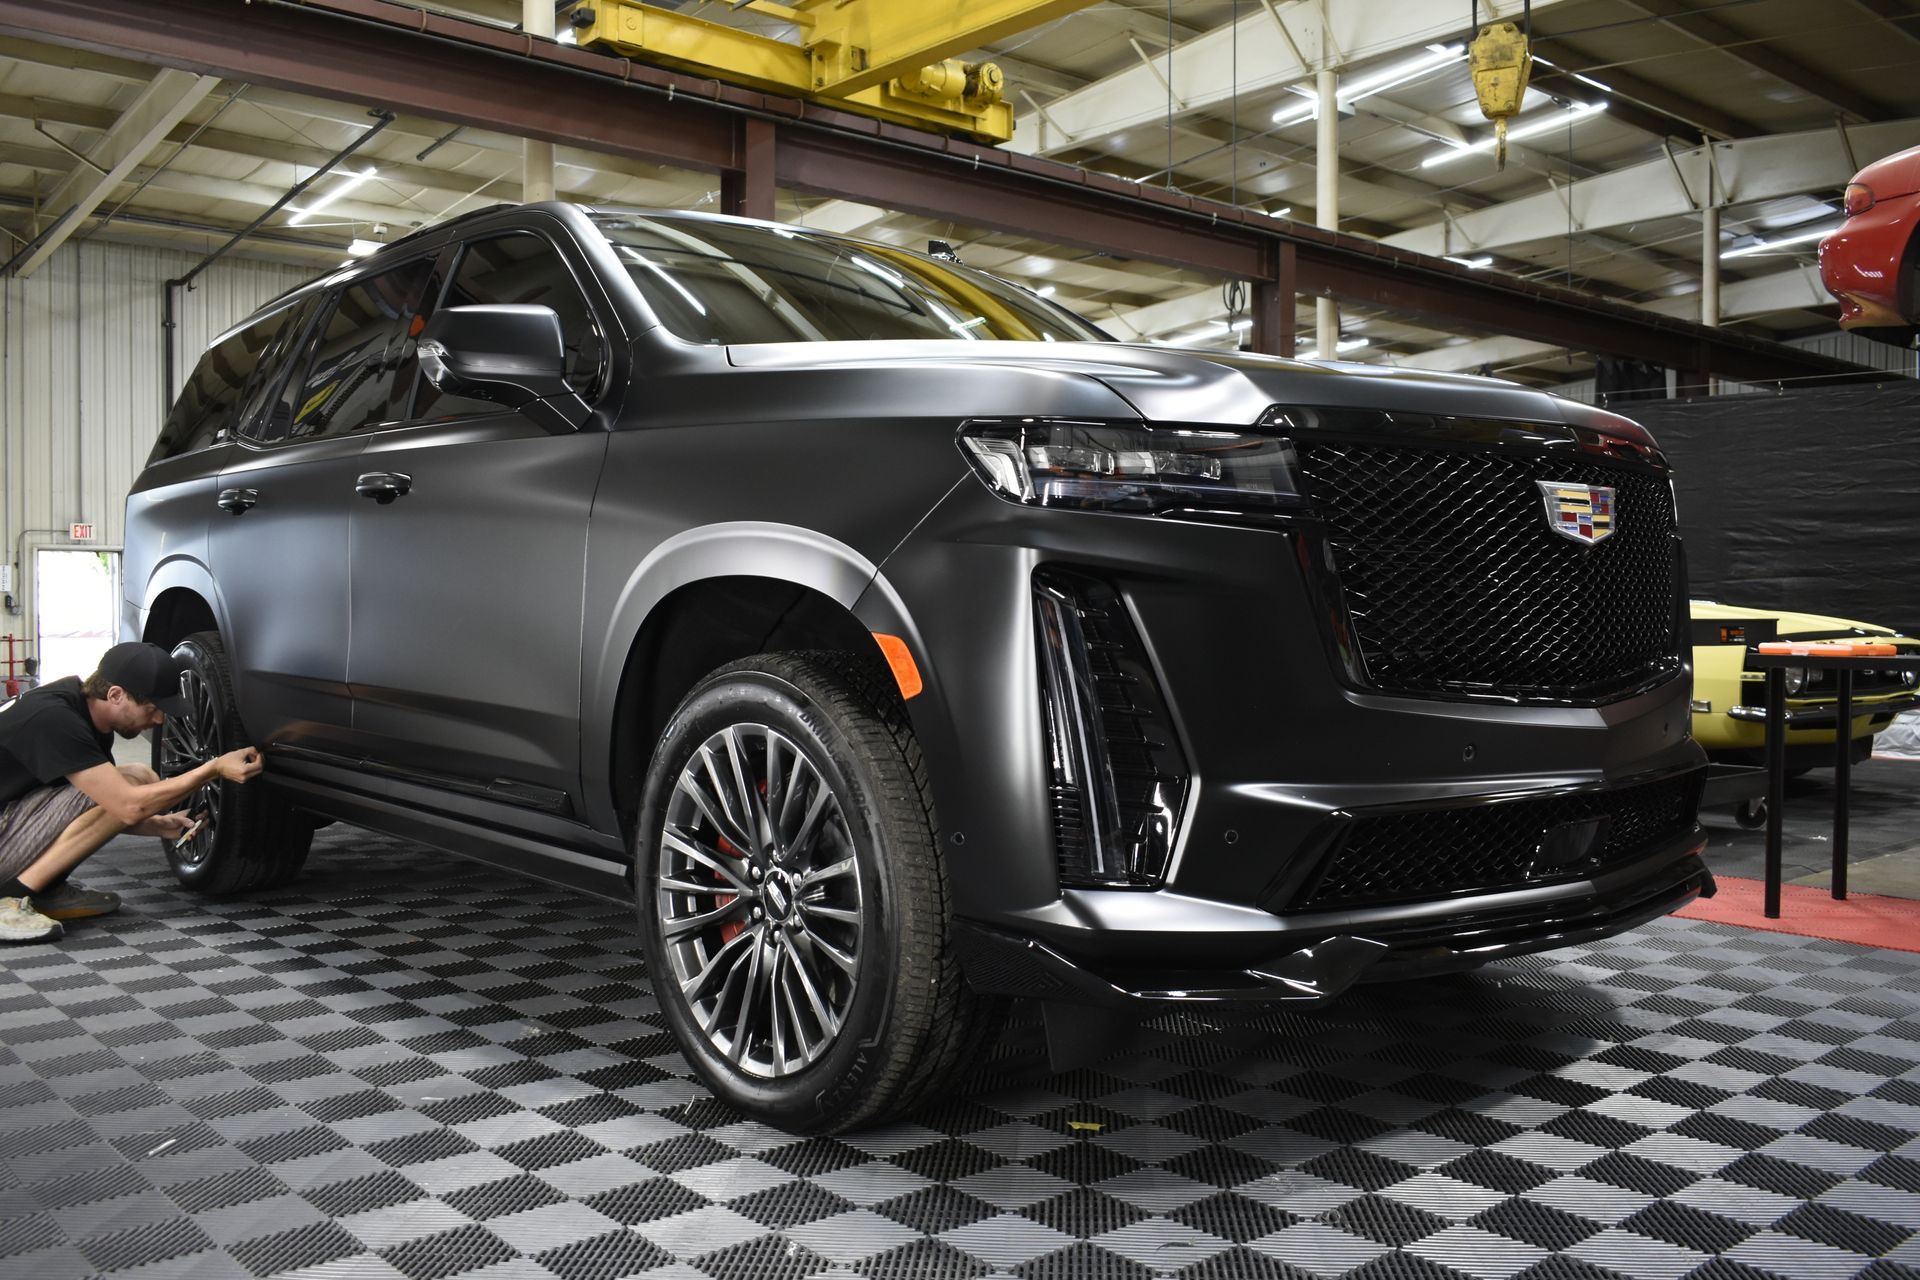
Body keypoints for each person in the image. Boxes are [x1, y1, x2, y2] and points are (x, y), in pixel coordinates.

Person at [0, 641, 263, 943]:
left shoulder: (77, 707)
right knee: (132, 788)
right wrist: (212, 769)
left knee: (135, 776)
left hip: (10, 819)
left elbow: (97, 810)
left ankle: (45, 889)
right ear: (115, 695)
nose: (159, 720)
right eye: (152, 708)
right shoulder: (55, 720)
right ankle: (11, 897)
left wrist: (158, 826)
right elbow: (126, 806)